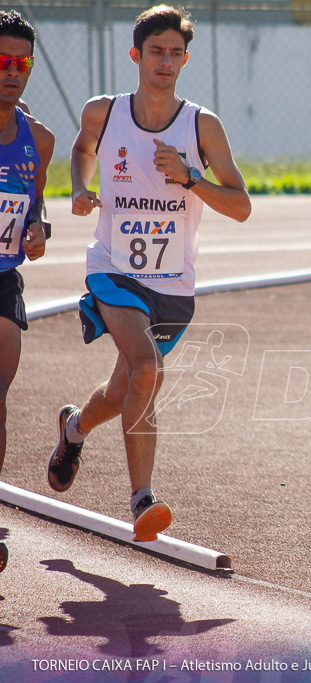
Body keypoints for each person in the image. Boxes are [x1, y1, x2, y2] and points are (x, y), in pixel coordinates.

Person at [47, 5, 251, 543]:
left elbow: (241, 205)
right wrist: (78, 186)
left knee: (123, 389)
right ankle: (142, 498)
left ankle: (73, 429)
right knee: (145, 368)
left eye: (175, 53)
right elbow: (80, 150)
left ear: (185, 59)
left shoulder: (201, 125)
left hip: (173, 286)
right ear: (136, 55)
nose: (166, 61)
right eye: (156, 51)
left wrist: (190, 179)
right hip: (113, 268)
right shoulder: (103, 112)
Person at [0, 9, 55, 572]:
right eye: (1, 62)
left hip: (1, 279)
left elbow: (35, 210)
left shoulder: (39, 139)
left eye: (20, 63)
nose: (11, 72)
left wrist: (40, 232)